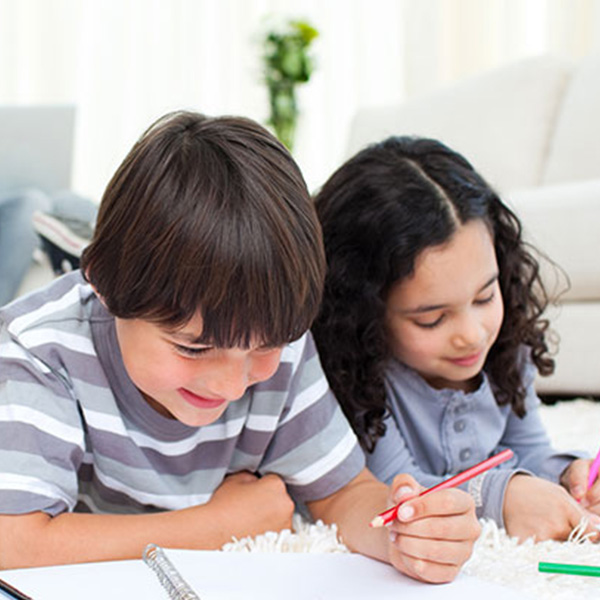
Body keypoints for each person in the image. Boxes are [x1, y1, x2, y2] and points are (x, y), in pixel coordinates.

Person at [0, 112, 480, 581]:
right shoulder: (40, 353)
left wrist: (402, 533)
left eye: (264, 346)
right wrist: (218, 526)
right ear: (102, 283)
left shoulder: (276, 333)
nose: (232, 384)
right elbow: (14, 542)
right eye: (192, 348)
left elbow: (343, 492)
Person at [312, 135, 600, 543]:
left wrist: (569, 475)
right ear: (363, 312)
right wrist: (502, 497)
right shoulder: (355, 374)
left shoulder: (505, 348)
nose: (472, 334)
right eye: (432, 319)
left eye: (485, 296)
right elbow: (391, 485)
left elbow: (528, 449)